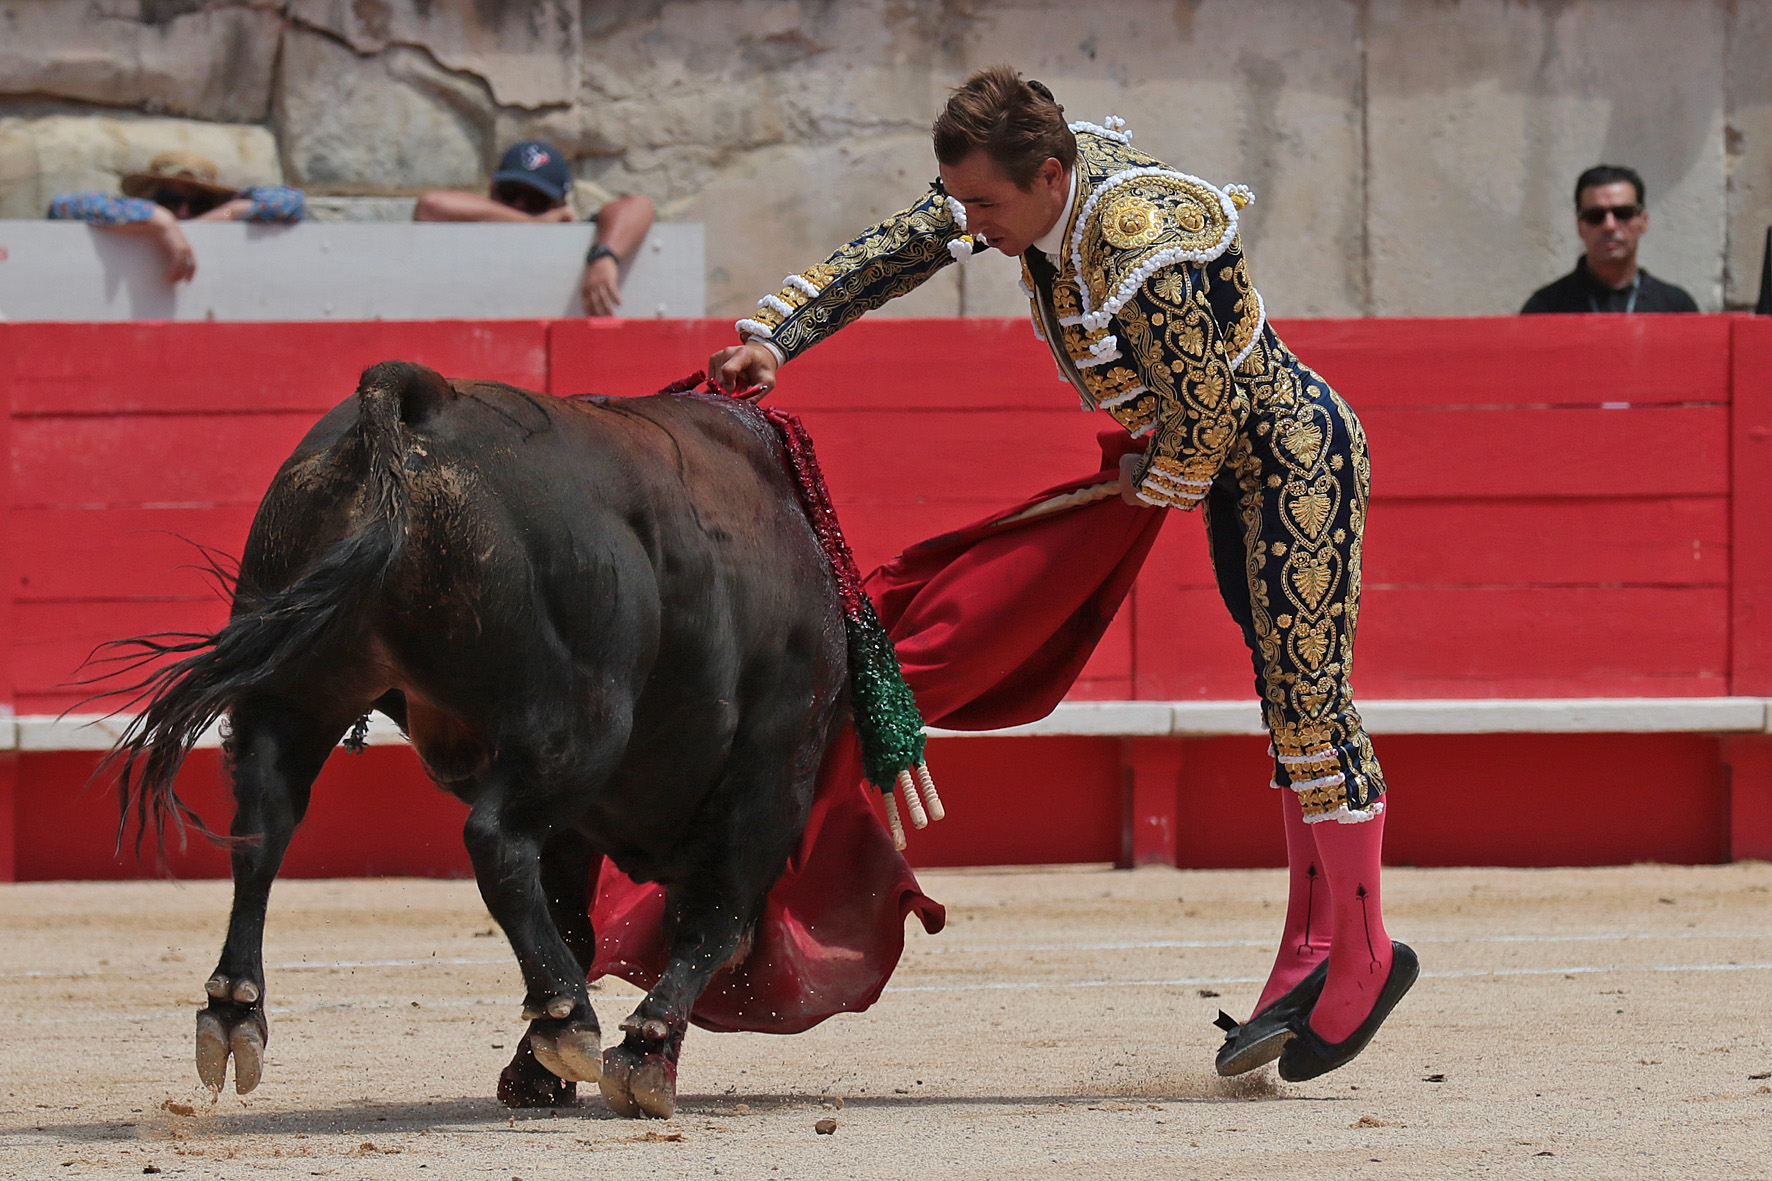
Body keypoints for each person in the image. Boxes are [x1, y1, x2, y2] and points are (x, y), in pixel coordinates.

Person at [710, 65, 1416, 1083]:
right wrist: (778, 336)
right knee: (1287, 707)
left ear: (1048, 176)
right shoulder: (1021, 190)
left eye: (987, 206)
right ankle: (1311, 946)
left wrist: (1148, 482)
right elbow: (896, 252)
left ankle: (1362, 947)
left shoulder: (1133, 236)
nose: (972, 225)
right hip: (1220, 471)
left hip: (1293, 459)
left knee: (1309, 705)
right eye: (966, 202)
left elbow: (1209, 413)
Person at [413, 140, 655, 317]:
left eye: (536, 200)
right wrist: (532, 223)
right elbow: (431, 205)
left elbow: (640, 206)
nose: (520, 204)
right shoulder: (476, 219)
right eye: (510, 194)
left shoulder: (575, 233)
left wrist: (604, 255)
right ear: (492, 191)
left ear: (560, 204)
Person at [47, 150, 305, 284]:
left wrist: (231, 211)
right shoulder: (140, 216)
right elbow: (61, 207)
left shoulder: (223, 214)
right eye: (170, 201)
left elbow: (292, 202)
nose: (183, 212)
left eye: (198, 203)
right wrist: (159, 221)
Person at [1521, 165, 1697, 313]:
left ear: (1643, 222)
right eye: (1595, 216)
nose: (1609, 226)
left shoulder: (1675, 307)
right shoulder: (1546, 308)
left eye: (1623, 214)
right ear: (1579, 226)